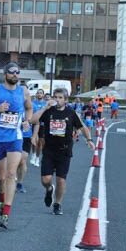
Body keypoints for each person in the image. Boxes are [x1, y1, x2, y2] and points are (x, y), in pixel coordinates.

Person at [0, 62, 33, 230]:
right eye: (12, 72)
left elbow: (29, 108)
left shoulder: (23, 91)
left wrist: (26, 121)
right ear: (5, 74)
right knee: (1, 178)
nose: (15, 74)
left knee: (11, 174)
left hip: (15, 138)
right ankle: (2, 197)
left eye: (17, 72)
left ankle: (6, 214)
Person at [31, 88, 94, 216]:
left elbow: (82, 126)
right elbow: (33, 120)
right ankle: (49, 189)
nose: (57, 100)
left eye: (60, 97)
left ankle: (57, 204)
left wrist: (89, 140)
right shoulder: (48, 111)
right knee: (45, 179)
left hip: (64, 151)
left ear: (65, 100)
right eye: (55, 97)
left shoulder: (71, 113)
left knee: (61, 180)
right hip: (49, 150)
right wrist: (44, 107)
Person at [29, 89, 48, 167]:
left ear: (43, 95)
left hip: (43, 125)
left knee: (40, 142)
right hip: (34, 124)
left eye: (41, 93)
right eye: (38, 93)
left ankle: (37, 157)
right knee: (34, 140)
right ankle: (33, 154)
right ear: (36, 95)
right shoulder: (32, 103)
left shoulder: (45, 104)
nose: (39, 94)